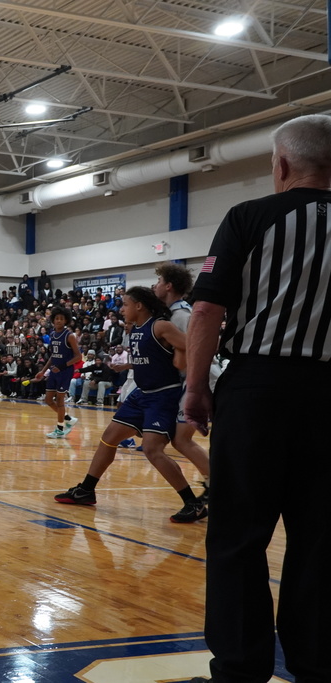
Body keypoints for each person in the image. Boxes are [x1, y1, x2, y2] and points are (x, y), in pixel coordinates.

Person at [183, 114, 331, 683]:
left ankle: (241, 671)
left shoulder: (250, 217)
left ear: (283, 165)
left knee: (239, 537)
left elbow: (206, 309)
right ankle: (317, 665)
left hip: (258, 389)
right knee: (320, 539)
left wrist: (196, 389)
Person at [54, 286, 206, 522]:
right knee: (109, 437)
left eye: (125, 304)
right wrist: (128, 366)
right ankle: (86, 489)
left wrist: (181, 356)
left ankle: (192, 503)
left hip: (163, 396)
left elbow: (192, 345)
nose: (121, 309)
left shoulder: (160, 326)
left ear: (139, 306)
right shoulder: (136, 329)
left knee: (152, 449)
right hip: (141, 394)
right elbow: (149, 360)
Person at [152, 261, 211, 498]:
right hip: (196, 380)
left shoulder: (179, 315)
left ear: (168, 286)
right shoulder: (177, 312)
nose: (155, 285)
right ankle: (212, 482)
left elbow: (184, 359)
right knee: (181, 440)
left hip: (201, 379)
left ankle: (217, 483)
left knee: (182, 439)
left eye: (158, 281)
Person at [36, 307, 82, 438]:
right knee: (48, 399)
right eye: (57, 318)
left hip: (65, 371)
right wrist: (43, 371)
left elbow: (78, 356)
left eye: (62, 319)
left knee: (60, 401)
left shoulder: (70, 335)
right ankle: (68, 418)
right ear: (53, 320)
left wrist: (62, 366)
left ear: (66, 320)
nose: (59, 321)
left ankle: (60, 428)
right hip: (54, 371)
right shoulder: (52, 334)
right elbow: (52, 356)